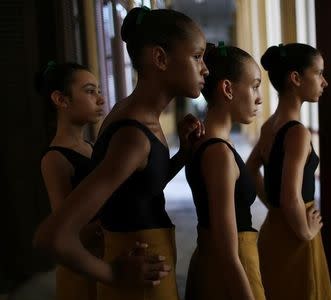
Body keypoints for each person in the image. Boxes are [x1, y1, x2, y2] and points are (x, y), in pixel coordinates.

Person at [34, 7, 209, 300]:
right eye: (197, 56)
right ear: (160, 58)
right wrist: (113, 274)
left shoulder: (137, 117)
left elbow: (133, 193)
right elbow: (52, 236)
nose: (205, 69)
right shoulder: (133, 135)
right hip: (138, 285)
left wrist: (181, 155)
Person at [246, 43, 331, 300]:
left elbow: (251, 170)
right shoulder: (297, 132)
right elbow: (290, 196)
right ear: (295, 78)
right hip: (298, 233)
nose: (324, 82)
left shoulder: (269, 126)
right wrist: (306, 231)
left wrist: (274, 206)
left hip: (274, 228)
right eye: (318, 73)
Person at [184, 43, 265, 300]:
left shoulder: (209, 142)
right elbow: (227, 252)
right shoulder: (218, 152)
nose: (259, 97)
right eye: (254, 86)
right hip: (229, 274)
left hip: (219, 266)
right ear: (228, 89)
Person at [37, 61, 105, 300]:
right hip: (82, 271)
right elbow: (65, 232)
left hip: (102, 261)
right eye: (89, 91)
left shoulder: (91, 147)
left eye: (98, 90)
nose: (100, 99)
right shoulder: (55, 158)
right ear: (61, 100)